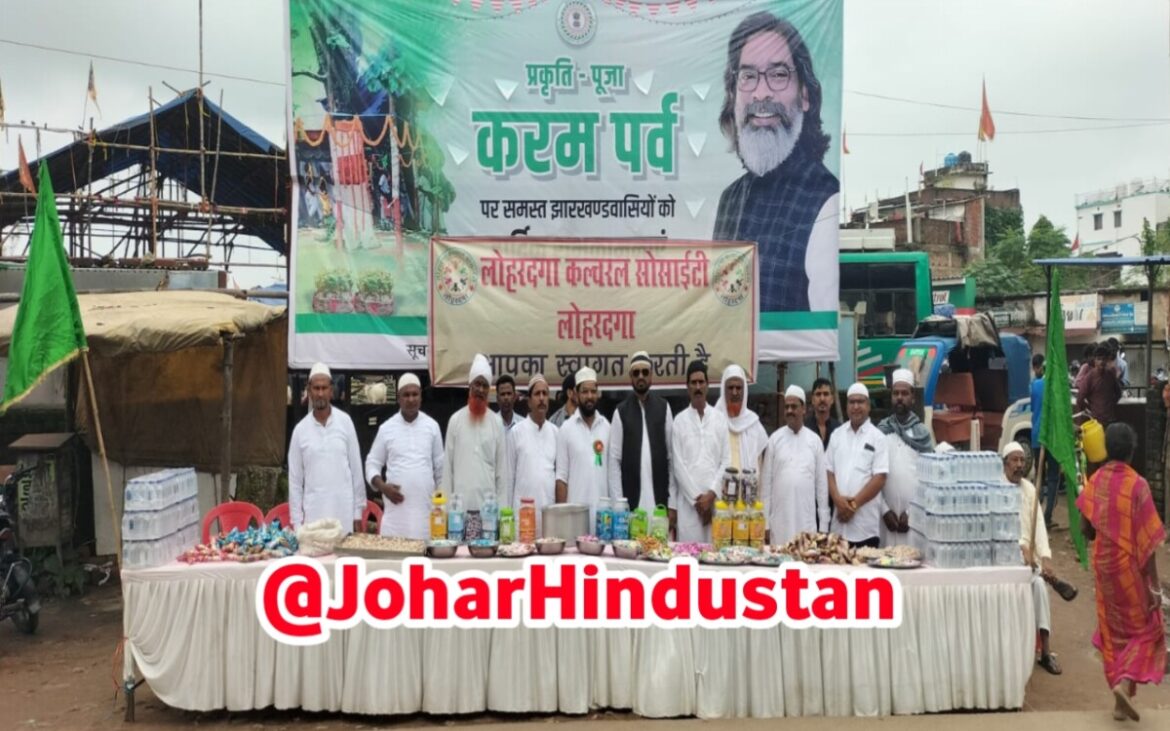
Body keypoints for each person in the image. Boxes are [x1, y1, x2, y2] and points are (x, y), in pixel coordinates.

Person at [712, 11, 839, 313]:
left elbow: (821, 329)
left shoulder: (824, 198)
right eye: (748, 76)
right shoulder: (729, 199)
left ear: (804, 95)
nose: (761, 93)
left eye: (779, 75)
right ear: (733, 94)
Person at [1077, 422, 1166, 722]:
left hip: (1104, 568)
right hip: (1130, 570)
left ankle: (1119, 698)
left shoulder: (1096, 481)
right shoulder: (1138, 485)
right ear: (1131, 452)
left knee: (1113, 630)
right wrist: (1154, 586)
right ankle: (1124, 683)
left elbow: (1085, 528)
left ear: (1106, 449)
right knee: (1146, 628)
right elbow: (1148, 542)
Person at [1003, 442, 1071, 677]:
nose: (1019, 465)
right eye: (1015, 460)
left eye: (1022, 460)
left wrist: (1045, 557)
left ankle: (1046, 652)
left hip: (1030, 563)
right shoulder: (996, 489)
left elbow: (1039, 526)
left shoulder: (1030, 489)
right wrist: (1019, 546)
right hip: (1005, 560)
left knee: (1040, 587)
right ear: (1005, 464)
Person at [287, 363, 365, 534]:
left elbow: (356, 470)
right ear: (309, 391)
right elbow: (295, 480)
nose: (320, 393)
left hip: (343, 512)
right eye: (316, 388)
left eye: (324, 388)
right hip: (314, 515)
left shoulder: (345, 422)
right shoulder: (300, 430)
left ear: (331, 391)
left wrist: (357, 512)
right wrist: (297, 521)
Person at [364, 373, 444, 539]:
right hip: (396, 517)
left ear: (421, 397)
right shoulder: (387, 428)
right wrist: (383, 487)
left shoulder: (432, 427)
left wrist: (441, 506)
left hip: (425, 516)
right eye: (406, 395)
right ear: (398, 398)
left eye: (415, 394)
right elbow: (372, 463)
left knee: (426, 555)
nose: (411, 399)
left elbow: (441, 470)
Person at [440, 353, 511, 528]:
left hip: (489, 515)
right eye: (477, 384)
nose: (480, 389)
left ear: (489, 390)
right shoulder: (455, 421)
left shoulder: (496, 423)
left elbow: (502, 475)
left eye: (484, 385)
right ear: (469, 386)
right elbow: (447, 472)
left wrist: (502, 519)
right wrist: (445, 514)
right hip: (459, 514)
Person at [670, 360, 730, 543]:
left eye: (701, 382)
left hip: (715, 505)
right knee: (688, 555)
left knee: (714, 556)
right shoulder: (679, 421)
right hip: (689, 507)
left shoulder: (720, 420)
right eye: (693, 383)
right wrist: (699, 502)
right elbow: (678, 467)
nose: (697, 387)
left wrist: (710, 496)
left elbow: (726, 461)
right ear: (687, 387)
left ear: (707, 385)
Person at [608, 351, 674, 516]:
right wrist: (619, 506)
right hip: (631, 506)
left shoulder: (664, 408)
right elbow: (614, 462)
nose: (641, 376)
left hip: (660, 504)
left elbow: (671, 458)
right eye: (636, 373)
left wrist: (672, 503)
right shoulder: (621, 412)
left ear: (651, 376)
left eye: (645, 372)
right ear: (631, 377)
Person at [761, 384, 829, 543]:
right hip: (780, 522)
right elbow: (766, 485)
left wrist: (824, 525)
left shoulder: (815, 441)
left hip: (806, 521)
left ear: (804, 409)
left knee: (805, 556)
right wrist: (765, 524)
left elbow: (822, 486)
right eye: (787, 407)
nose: (789, 410)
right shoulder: (775, 440)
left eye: (794, 406)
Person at [826, 383, 889, 549]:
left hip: (865, 529)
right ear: (846, 406)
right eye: (852, 402)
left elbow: (880, 478)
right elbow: (828, 472)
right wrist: (838, 501)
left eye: (860, 402)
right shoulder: (837, 435)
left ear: (868, 406)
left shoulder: (878, 438)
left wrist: (853, 506)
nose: (856, 406)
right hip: (838, 527)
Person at [877, 369, 932, 546]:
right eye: (896, 393)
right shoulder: (881, 432)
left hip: (914, 521)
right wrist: (884, 510)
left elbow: (929, 479)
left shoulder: (922, 434)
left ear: (913, 397)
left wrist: (911, 513)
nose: (899, 397)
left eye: (904, 393)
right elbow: (872, 476)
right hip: (886, 521)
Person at [555, 367, 611, 527]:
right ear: (576, 394)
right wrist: (561, 519)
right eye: (585, 392)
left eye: (593, 391)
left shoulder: (607, 427)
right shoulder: (566, 429)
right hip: (574, 518)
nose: (589, 396)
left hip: (603, 520)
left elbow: (613, 475)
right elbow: (561, 478)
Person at [509, 374, 558, 533]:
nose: (542, 398)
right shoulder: (516, 432)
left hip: (549, 516)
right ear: (529, 401)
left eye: (545, 393)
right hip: (522, 517)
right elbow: (509, 479)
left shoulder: (556, 433)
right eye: (537, 394)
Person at [715, 364, 769, 475]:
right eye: (730, 388)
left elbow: (760, 463)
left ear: (744, 391)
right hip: (719, 485)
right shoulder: (714, 421)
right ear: (723, 390)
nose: (734, 392)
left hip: (747, 485)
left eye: (738, 388)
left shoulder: (753, 423)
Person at [1030, 353, 1063, 529]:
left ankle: (1036, 513)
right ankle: (1047, 515)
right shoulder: (1057, 387)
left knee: (1039, 475)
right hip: (1054, 437)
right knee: (1053, 477)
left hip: (1037, 435)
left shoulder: (1035, 385)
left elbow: (1033, 407)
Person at [1077, 344, 1123, 427]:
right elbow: (1080, 399)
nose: (1101, 362)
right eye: (1099, 359)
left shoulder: (1110, 375)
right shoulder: (1089, 377)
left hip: (1110, 419)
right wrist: (1089, 409)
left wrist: (1110, 404)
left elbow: (1118, 393)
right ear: (1094, 360)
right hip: (1095, 420)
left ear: (1107, 360)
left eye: (1104, 359)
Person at [804, 376, 840, 450]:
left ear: (832, 399)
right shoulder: (804, 428)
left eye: (826, 394)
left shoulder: (839, 429)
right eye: (818, 394)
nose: (822, 399)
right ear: (812, 399)